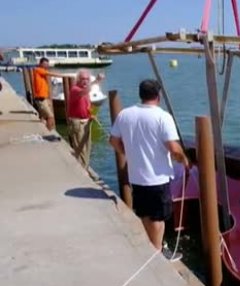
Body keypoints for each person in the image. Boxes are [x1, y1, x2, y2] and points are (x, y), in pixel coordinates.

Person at [109, 79, 190, 260]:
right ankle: (156, 253)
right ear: (158, 96)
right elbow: (173, 148)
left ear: (141, 94)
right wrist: (184, 160)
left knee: (145, 214)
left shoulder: (125, 114)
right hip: (157, 178)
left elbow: (113, 141)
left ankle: (153, 246)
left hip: (136, 176)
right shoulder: (162, 117)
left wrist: (128, 153)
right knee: (158, 219)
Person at [67, 69, 104, 169]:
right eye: (83, 79)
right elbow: (85, 91)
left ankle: (85, 169)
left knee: (87, 149)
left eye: (87, 79)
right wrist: (96, 81)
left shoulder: (85, 91)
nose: (85, 81)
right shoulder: (75, 89)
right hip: (78, 123)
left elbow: (85, 105)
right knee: (81, 150)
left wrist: (90, 115)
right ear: (78, 80)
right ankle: (82, 173)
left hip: (86, 121)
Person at [32, 58, 65, 131]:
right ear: (40, 63)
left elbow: (48, 74)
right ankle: (49, 132)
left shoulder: (42, 71)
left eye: (47, 64)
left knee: (43, 116)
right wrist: (62, 75)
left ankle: (42, 130)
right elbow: (50, 74)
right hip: (40, 98)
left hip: (44, 98)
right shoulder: (38, 70)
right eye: (45, 64)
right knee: (50, 116)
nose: (46, 65)